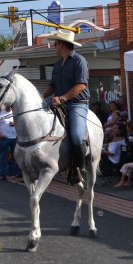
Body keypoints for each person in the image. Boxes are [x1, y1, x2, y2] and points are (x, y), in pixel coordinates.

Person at [40, 28, 90, 185]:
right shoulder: (57, 65)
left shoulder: (79, 61)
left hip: (76, 104)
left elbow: (81, 85)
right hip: (58, 101)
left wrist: (63, 98)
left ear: (62, 45)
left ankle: (79, 169)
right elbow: (52, 85)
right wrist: (41, 98)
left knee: (76, 136)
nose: (54, 46)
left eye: (55, 43)